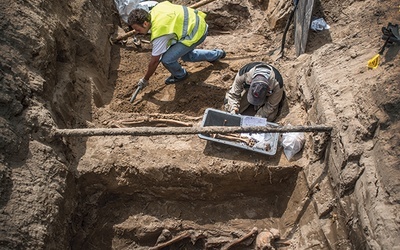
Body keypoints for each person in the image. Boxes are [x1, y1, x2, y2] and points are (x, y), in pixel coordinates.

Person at [127, 1, 226, 88]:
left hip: (196, 33)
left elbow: (154, 62)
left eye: (137, 29)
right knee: (187, 55)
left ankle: (181, 75)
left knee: (167, 60)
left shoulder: (160, 33)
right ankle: (218, 54)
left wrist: (145, 79)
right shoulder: (156, 8)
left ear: (145, 23)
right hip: (196, 22)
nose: (136, 32)